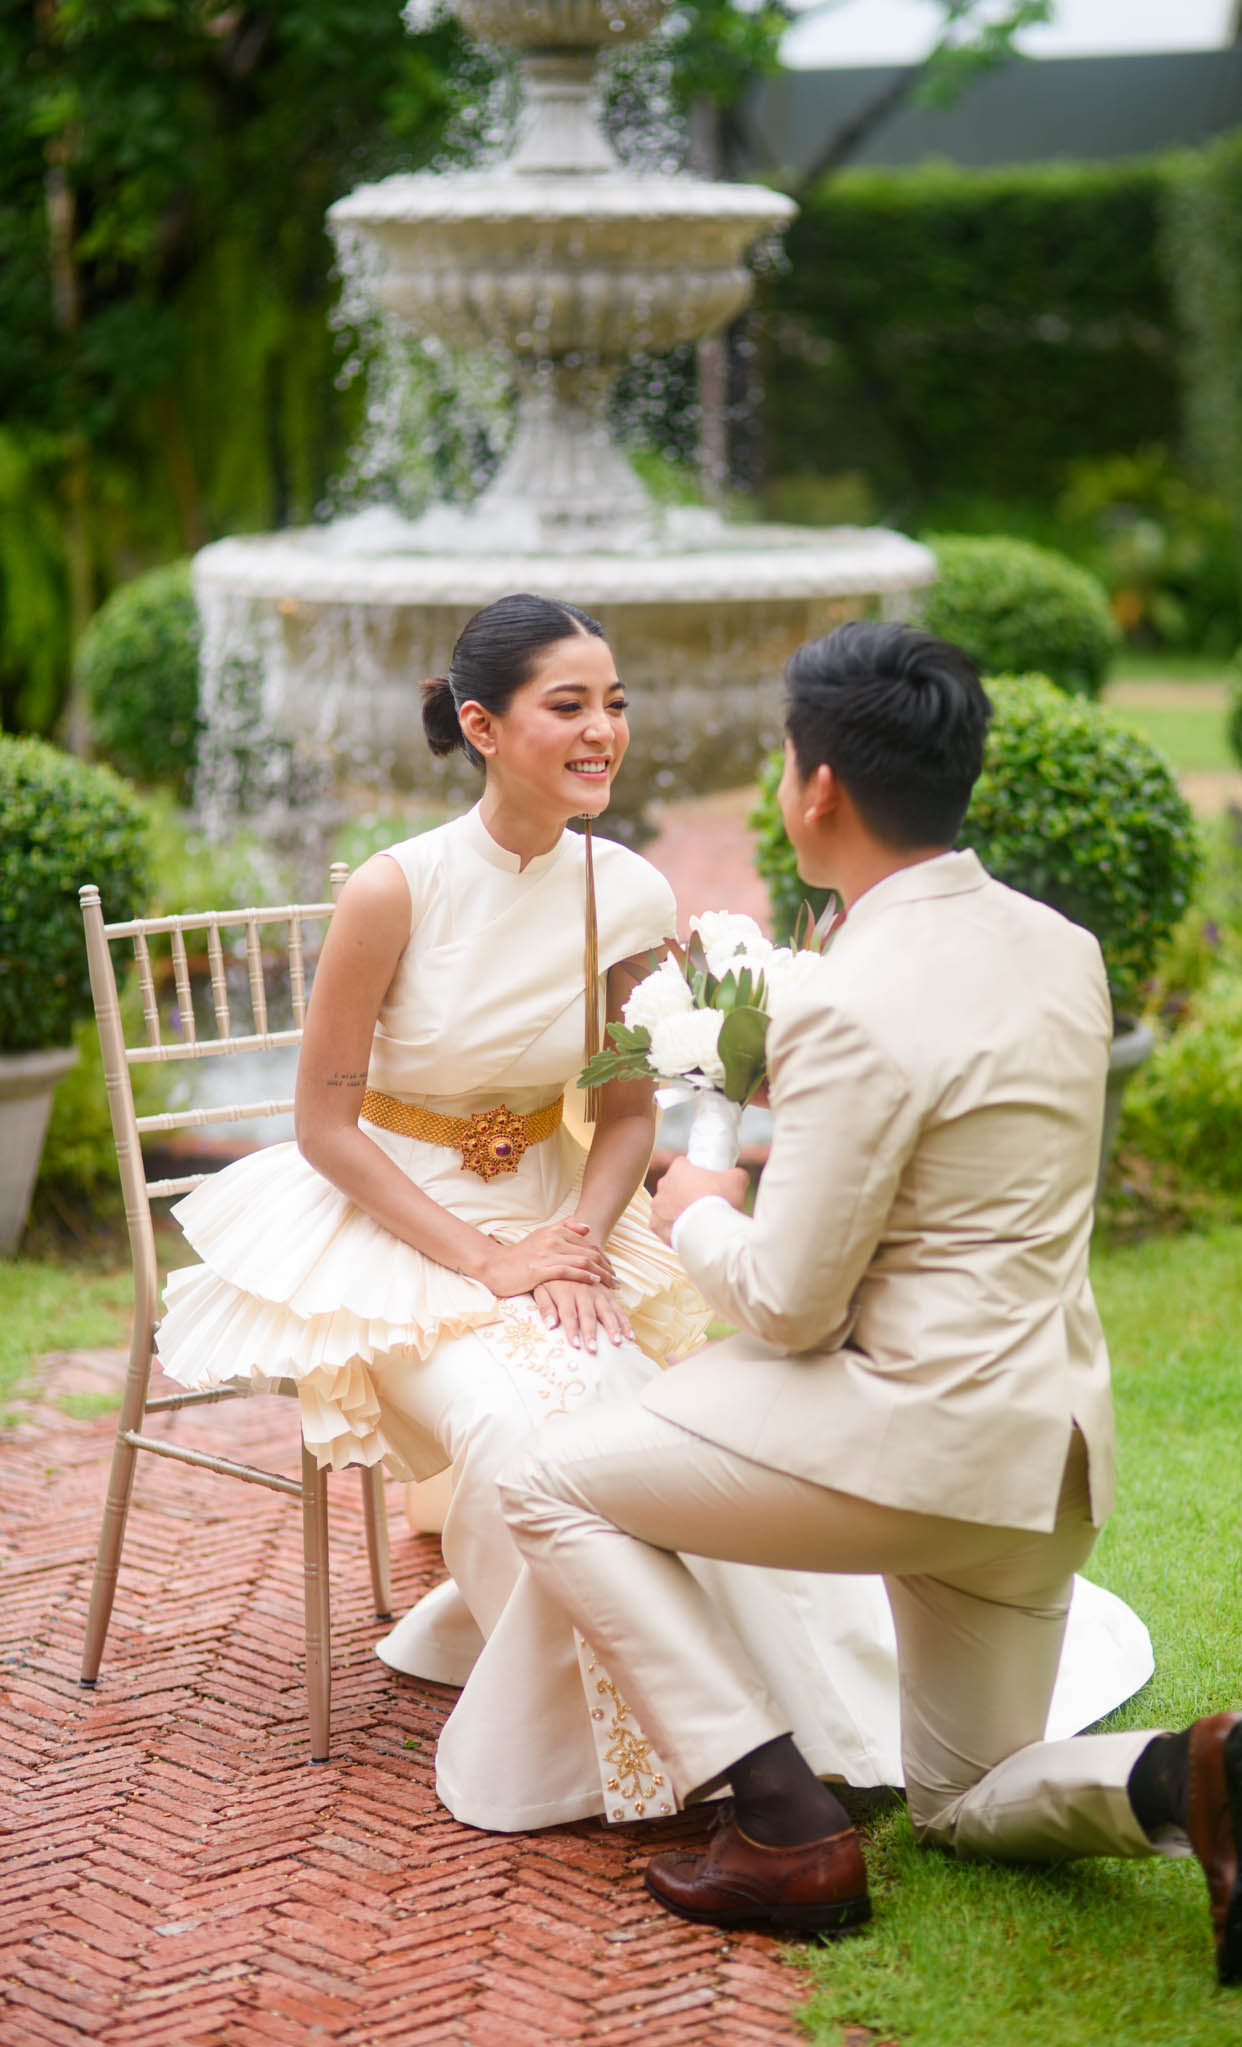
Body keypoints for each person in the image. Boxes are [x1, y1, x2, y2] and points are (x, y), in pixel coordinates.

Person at [157, 593, 1147, 1831]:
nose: (603, 729)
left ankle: (741, 1727)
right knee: (517, 1423)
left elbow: (627, 1112)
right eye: (569, 704)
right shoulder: (394, 890)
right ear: (481, 725)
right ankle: (630, 1748)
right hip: (396, 1226)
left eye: (615, 702)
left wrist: (575, 1236)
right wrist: (490, 1258)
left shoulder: (624, 889)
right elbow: (324, 1124)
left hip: (566, 1213)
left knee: (618, 1386)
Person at [498, 621, 1242, 1981]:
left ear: (818, 786)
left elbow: (790, 1306)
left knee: (546, 1480)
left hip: (907, 1449)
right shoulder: (1061, 947)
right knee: (962, 1797)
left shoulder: (851, 1001)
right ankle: (1183, 1779)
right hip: (1045, 1462)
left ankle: (779, 1820)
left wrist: (695, 1202)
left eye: (783, 762)